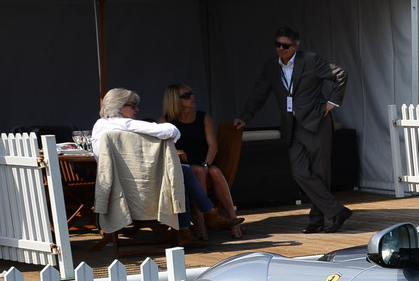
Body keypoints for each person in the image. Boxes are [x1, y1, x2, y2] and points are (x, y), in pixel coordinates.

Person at [232, 26, 350, 234]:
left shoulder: (311, 60)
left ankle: (316, 220)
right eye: (277, 44)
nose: (280, 49)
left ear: (296, 46)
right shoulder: (271, 67)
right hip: (292, 126)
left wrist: (332, 102)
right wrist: (245, 117)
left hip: (316, 123)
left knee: (320, 174)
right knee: (299, 172)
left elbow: (340, 74)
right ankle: (337, 211)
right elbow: (259, 94)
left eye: (285, 46)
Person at [92, 87, 214, 243]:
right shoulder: (127, 124)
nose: (137, 109)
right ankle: (205, 215)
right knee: (182, 172)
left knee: (180, 173)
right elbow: (170, 130)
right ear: (119, 106)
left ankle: (193, 225)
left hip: (116, 188)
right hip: (142, 189)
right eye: (132, 105)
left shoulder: (100, 125)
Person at [160, 84, 244, 238]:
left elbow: (213, 146)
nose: (192, 97)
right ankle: (201, 223)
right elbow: (161, 149)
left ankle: (232, 219)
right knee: (198, 171)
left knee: (214, 171)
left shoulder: (202, 117)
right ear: (174, 100)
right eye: (186, 95)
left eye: (191, 93)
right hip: (182, 167)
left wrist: (206, 164)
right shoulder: (165, 122)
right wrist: (175, 150)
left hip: (204, 161)